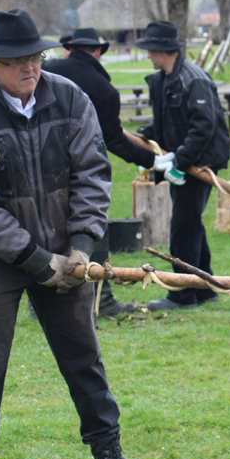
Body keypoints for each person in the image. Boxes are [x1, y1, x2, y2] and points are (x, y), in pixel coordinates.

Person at [0, 7, 152, 459]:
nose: (29, 68)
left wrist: (81, 246)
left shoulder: (71, 98)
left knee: (84, 358)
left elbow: (92, 176)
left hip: (65, 249)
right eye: (16, 60)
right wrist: (37, 261)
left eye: (35, 57)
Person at [43, 27, 157, 316]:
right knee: (92, 227)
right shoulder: (104, 90)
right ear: (96, 51)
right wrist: (151, 160)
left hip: (40, 169)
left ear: (70, 48)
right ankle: (102, 301)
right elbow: (113, 139)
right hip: (81, 171)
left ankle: (40, 301)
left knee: (46, 231)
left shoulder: (46, 70)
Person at [134, 20, 230, 311]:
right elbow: (168, 122)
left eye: (150, 50)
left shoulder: (193, 79)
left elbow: (204, 127)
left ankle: (182, 294)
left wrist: (181, 161)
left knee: (183, 227)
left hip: (199, 164)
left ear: (163, 51)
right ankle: (205, 288)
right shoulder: (164, 80)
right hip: (183, 161)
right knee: (190, 222)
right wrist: (147, 135)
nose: (147, 55)